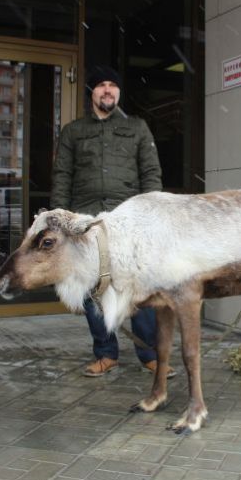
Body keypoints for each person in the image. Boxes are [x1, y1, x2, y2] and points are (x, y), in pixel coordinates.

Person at [50, 65, 173, 378]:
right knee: (92, 288)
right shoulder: (73, 132)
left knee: (138, 287)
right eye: (101, 85)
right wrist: (60, 221)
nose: (108, 90)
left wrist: (151, 216)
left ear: (118, 92)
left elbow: (151, 174)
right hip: (85, 223)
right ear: (91, 92)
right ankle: (105, 353)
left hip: (128, 221)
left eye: (113, 86)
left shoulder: (138, 129)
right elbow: (62, 176)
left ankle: (150, 354)